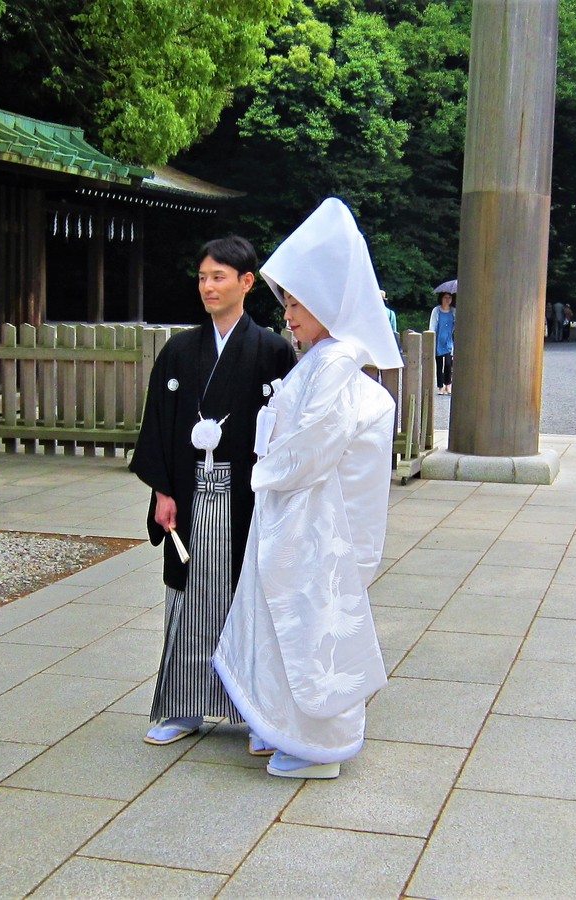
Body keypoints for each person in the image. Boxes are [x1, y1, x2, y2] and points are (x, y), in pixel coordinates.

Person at [214, 197, 402, 780]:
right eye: (287, 302)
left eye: (297, 302)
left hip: (318, 518)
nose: (288, 314)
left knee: (314, 626)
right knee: (303, 627)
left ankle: (320, 742)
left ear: (327, 301)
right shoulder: (329, 358)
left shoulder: (337, 362)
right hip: (309, 515)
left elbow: (312, 446)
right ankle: (293, 729)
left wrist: (261, 473)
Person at [129, 236, 297, 745]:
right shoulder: (180, 351)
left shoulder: (273, 350)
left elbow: (289, 430)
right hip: (189, 490)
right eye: (202, 277)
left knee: (250, 598)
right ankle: (184, 707)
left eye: (218, 277)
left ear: (246, 282)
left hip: (249, 496)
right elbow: (158, 426)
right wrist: (162, 492)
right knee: (189, 597)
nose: (208, 286)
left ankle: (257, 714)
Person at [429, 291, 455, 395]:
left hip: (449, 340)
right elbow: (432, 325)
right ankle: (440, 386)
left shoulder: (453, 311)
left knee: (448, 363)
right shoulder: (436, 311)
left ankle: (448, 384)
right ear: (441, 298)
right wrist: (431, 337)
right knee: (439, 364)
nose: (447, 300)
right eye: (445, 297)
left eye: (449, 298)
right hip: (438, 340)